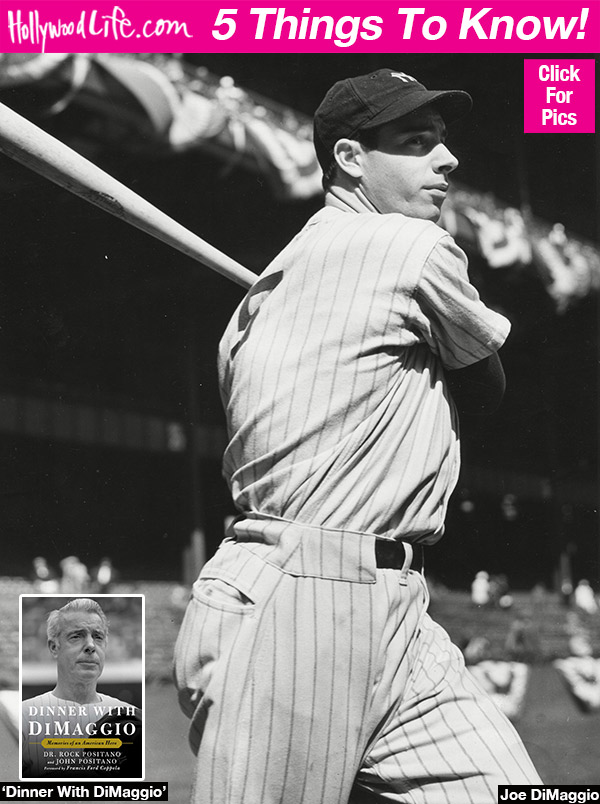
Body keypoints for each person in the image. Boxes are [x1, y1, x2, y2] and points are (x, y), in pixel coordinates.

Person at [174, 67, 542, 803]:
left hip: (385, 606)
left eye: (442, 140)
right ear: (350, 159)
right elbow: (488, 385)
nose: (449, 159)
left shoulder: (259, 300)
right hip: (300, 606)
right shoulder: (410, 246)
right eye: (417, 142)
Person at [21, 597, 141, 778]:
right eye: (76, 636)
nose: (91, 646)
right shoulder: (24, 717)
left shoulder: (132, 718)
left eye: (98, 637)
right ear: (54, 647)